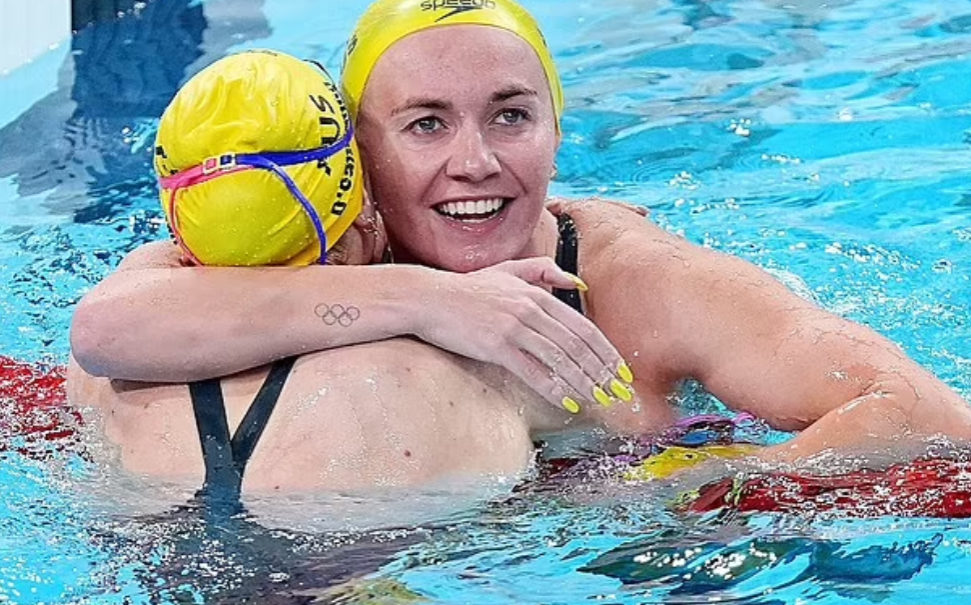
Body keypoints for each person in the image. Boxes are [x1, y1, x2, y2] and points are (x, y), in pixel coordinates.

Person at [70, 0, 971, 477]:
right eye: (425, 124)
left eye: (510, 116)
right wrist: (432, 300)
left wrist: (671, 493)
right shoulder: (330, 243)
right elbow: (110, 325)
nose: (475, 163)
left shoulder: (635, 283)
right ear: (355, 155)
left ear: (554, 127)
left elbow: (923, 412)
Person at [68, 50, 634, 507]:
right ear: (362, 194)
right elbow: (622, 450)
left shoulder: (120, 355)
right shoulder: (468, 367)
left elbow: (99, 329)